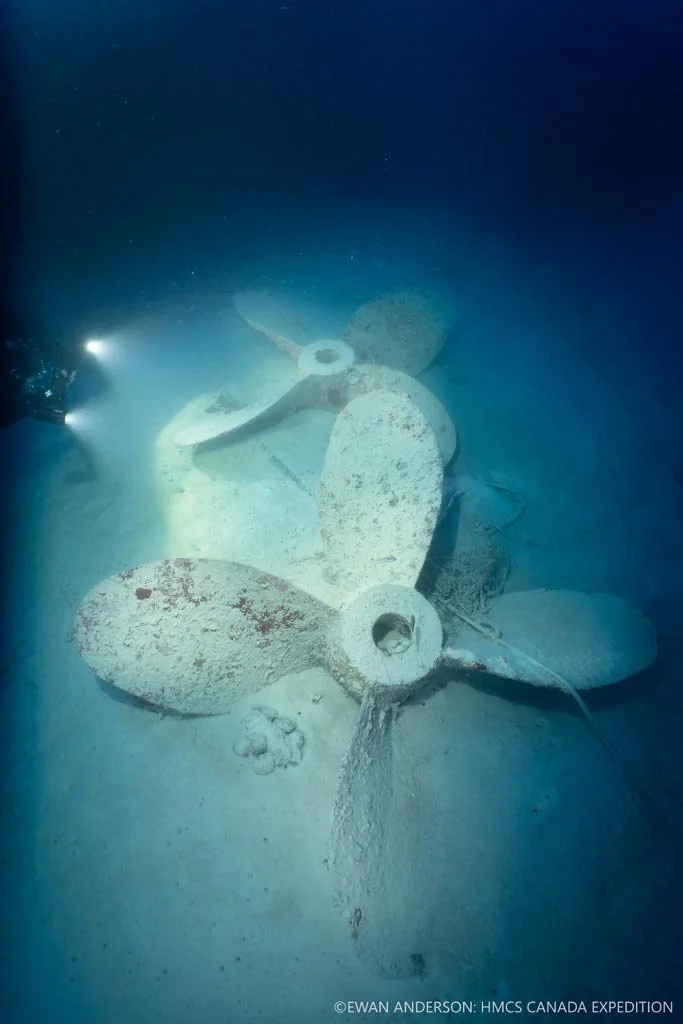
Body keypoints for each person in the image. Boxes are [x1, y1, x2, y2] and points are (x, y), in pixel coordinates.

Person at [0, 306, 78, 427]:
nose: (20, 341)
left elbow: (56, 350)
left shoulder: (30, 335)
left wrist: (64, 377)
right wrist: (29, 406)